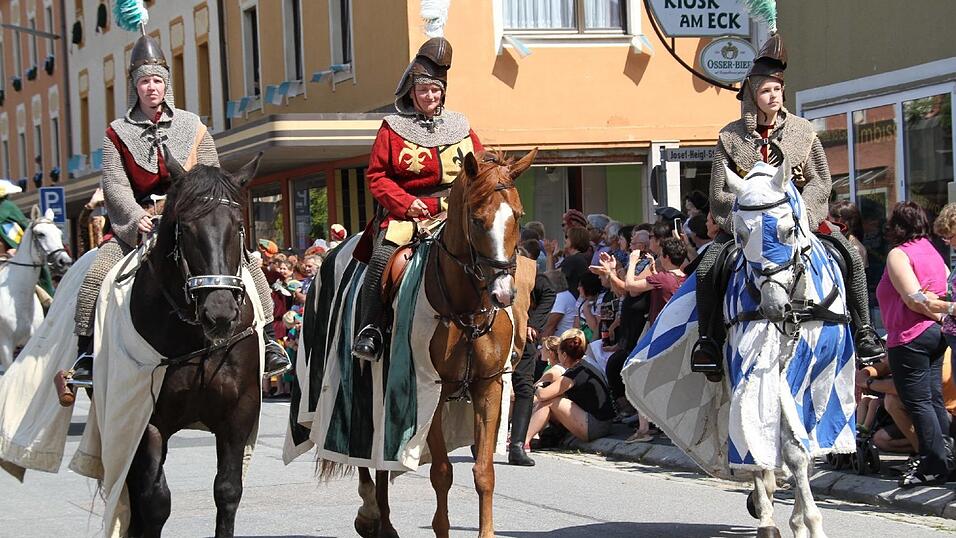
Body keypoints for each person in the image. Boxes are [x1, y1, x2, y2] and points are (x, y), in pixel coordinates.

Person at [58, 34, 290, 397]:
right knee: (97, 274)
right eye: (144, 81)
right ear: (135, 87)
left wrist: (195, 209)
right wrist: (136, 219)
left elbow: (212, 176)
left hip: (191, 218)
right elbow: (115, 185)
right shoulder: (117, 133)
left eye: (157, 81)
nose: (151, 87)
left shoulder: (193, 126)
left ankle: (269, 340)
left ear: (167, 85)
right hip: (138, 222)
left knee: (250, 263)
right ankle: (86, 353)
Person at [691, 34, 884, 381]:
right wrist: (741, 221)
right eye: (766, 91)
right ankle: (708, 341)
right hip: (746, 223)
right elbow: (718, 191)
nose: (774, 96)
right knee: (707, 267)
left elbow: (820, 181)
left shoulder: (803, 131)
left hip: (795, 219)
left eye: (778, 89)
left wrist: (805, 215)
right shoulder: (730, 137)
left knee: (850, 256)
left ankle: (864, 330)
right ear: (751, 95)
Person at [352, 37, 483, 361]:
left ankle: (506, 321)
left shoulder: (462, 127)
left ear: (443, 92)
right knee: (384, 257)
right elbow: (377, 176)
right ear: (412, 92)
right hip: (408, 212)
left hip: (456, 212)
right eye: (423, 90)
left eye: (435, 90)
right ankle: (371, 328)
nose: (430, 96)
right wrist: (404, 203)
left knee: (495, 251)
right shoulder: (393, 129)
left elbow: (479, 169)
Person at [875, 201, 950, 488]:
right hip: (934, 335)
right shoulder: (932, 250)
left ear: (896, 226)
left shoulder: (899, 254)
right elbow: (944, 283)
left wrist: (940, 313)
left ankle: (934, 465)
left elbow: (912, 298)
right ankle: (947, 459)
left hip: (909, 337)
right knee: (933, 400)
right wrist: (943, 319)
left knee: (919, 404)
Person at [508, 240, 557, 466]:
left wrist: (534, 324)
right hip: (487, 333)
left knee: (524, 387)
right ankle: (480, 439)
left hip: (520, 333)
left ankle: (517, 445)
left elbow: (548, 292)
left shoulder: (526, 266)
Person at [525, 329, 615, 447]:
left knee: (549, 401)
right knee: (554, 399)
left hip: (596, 426)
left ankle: (524, 441)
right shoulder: (585, 365)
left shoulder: (574, 373)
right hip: (604, 423)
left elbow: (543, 395)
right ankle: (531, 437)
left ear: (564, 355)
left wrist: (537, 387)